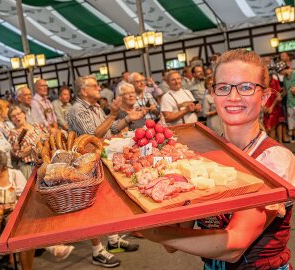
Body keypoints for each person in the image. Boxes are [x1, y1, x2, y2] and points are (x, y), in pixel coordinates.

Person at [141, 49, 295, 269]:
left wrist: (156, 232)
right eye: (223, 88)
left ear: (265, 97)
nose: (233, 97)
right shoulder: (202, 156)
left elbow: (234, 245)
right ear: (213, 95)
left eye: (246, 87)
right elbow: (176, 235)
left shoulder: (275, 159)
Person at [67, 75, 139, 268]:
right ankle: (97, 250)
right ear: (83, 91)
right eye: (94, 86)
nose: (99, 87)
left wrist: (127, 119)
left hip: (102, 157)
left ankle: (113, 240)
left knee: (108, 200)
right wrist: (113, 114)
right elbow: (93, 136)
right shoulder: (77, 110)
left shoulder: (96, 106)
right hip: (86, 164)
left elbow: (111, 129)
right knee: (92, 207)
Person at [7, 105, 48, 179]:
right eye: (13, 116)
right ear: (11, 120)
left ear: (24, 114)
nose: (17, 117)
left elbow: (47, 137)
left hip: (45, 162)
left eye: (19, 114)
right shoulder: (13, 133)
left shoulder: (36, 126)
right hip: (29, 167)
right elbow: (20, 155)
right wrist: (38, 141)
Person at [277, 61, 295, 142]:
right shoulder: (284, 78)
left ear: (283, 69)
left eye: (280, 71)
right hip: (290, 103)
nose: (281, 73)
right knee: (292, 122)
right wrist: (280, 95)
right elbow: (285, 90)